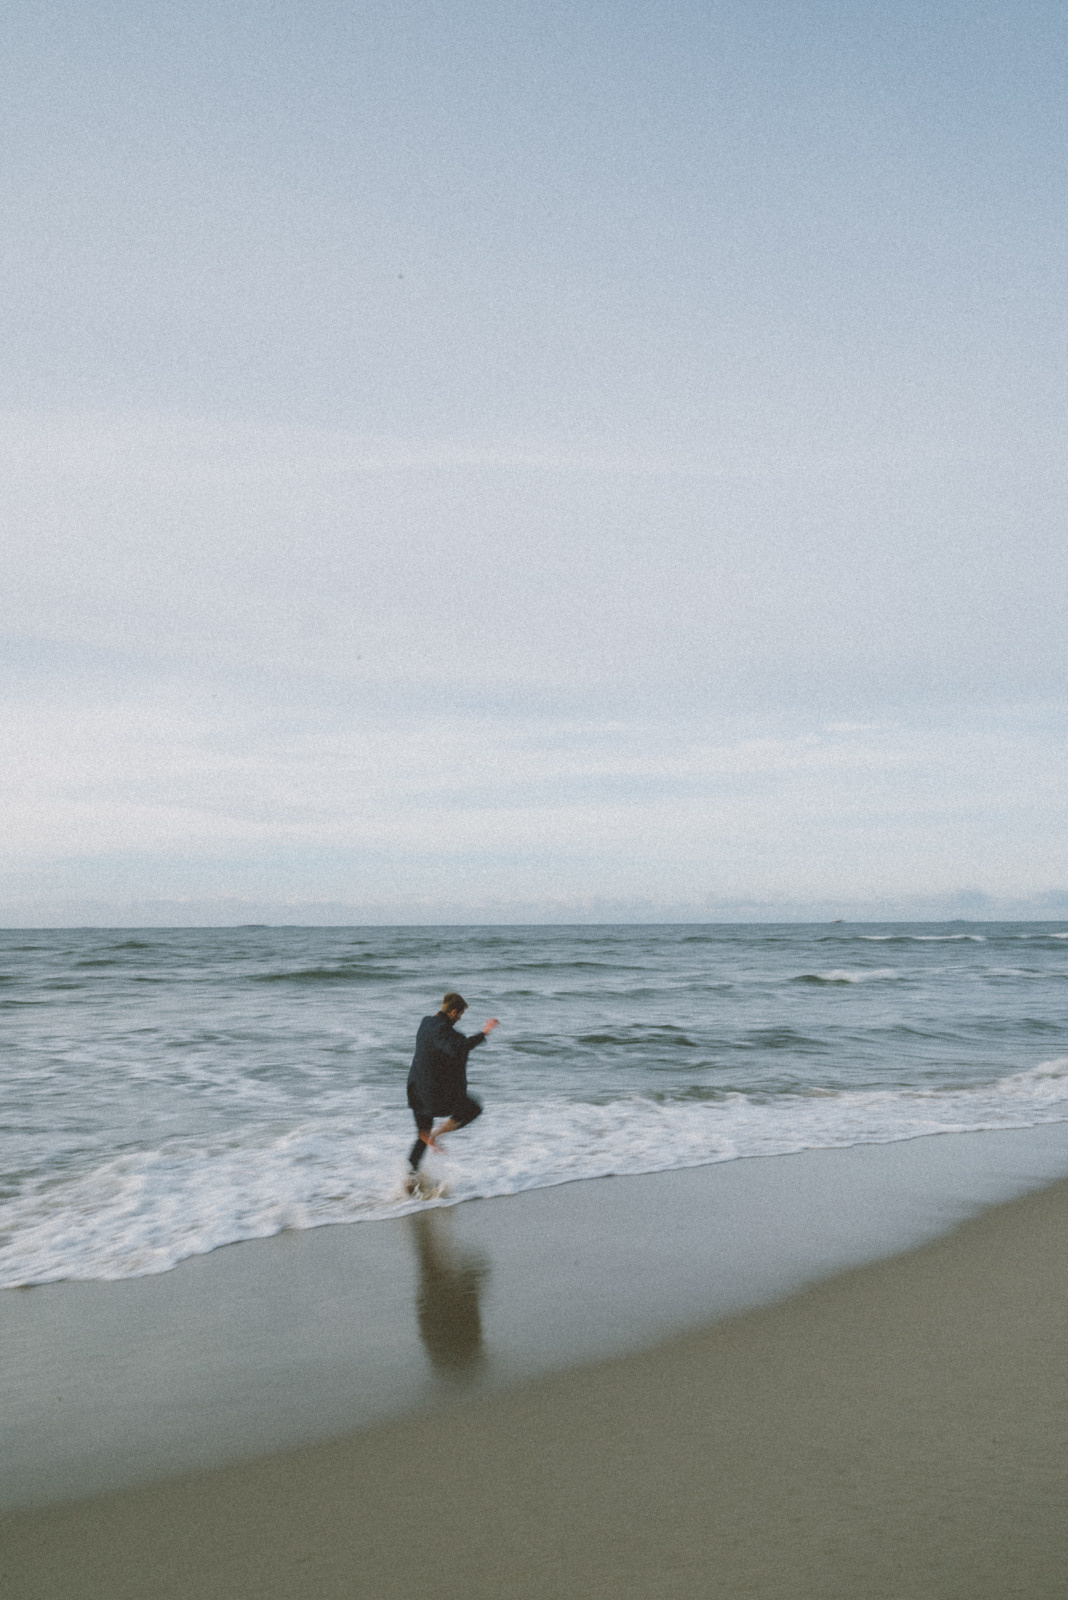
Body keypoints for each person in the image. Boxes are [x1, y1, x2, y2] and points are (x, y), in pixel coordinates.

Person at [405, 992, 499, 1189]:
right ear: (454, 1011)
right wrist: (484, 1033)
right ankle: (437, 1135)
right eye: (460, 1015)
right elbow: (456, 1048)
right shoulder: (443, 1032)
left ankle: (409, 1178)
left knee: (422, 1135)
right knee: (473, 1108)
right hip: (433, 1097)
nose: (459, 1019)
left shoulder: (426, 1022)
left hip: (415, 1092)